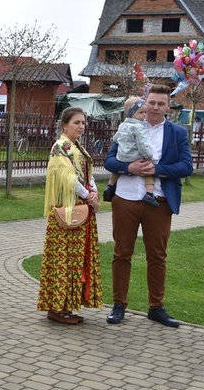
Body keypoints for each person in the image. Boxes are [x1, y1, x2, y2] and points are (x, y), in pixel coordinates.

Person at [104, 84, 193, 328]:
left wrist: (157, 169)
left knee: (157, 256)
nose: (154, 107)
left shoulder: (177, 133)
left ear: (168, 107)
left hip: (158, 202)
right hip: (125, 199)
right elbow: (109, 160)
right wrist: (127, 167)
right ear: (145, 103)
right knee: (122, 253)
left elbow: (187, 166)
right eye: (151, 102)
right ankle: (119, 304)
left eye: (160, 103)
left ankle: (156, 307)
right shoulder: (129, 125)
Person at [38, 107, 103, 325]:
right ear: (64, 125)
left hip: (80, 209)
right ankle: (57, 307)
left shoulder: (77, 147)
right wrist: (87, 194)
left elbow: (87, 173)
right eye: (76, 122)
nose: (81, 126)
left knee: (74, 260)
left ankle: (67, 305)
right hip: (67, 212)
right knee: (63, 259)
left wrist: (93, 192)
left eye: (83, 122)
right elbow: (67, 178)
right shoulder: (60, 147)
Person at [102, 96, 160, 207]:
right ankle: (149, 194)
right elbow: (142, 144)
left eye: (145, 112)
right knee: (147, 170)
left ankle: (109, 186)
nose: (144, 115)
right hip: (134, 156)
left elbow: (115, 138)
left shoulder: (122, 125)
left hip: (122, 156)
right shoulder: (139, 127)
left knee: (117, 171)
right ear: (131, 113)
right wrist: (148, 155)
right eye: (141, 112)